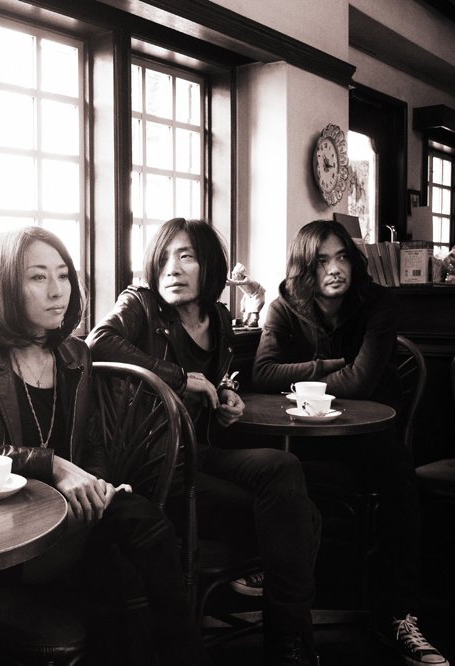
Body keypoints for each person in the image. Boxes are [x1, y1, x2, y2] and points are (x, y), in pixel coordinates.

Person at [0, 226, 210, 665]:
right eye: (38, 277)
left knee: (137, 534)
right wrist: (52, 465)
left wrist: (98, 484)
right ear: (5, 285)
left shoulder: (75, 353)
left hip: (73, 518)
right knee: (124, 557)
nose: (57, 291)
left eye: (63, 275)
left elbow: (92, 440)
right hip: (6, 529)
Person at [87, 217, 321, 666]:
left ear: (209, 265)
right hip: (153, 467)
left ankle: (287, 636)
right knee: (303, 516)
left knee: (284, 469)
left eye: (186, 256)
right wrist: (179, 378)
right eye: (164, 258)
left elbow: (215, 381)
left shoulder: (219, 317)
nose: (172, 268)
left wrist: (226, 397)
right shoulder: (140, 303)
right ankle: (290, 641)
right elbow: (98, 343)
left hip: (198, 452)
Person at [252, 219, 448, 666]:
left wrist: (300, 376)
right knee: (272, 470)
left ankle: (398, 615)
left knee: (400, 482)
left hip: (370, 433)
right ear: (305, 268)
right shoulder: (284, 305)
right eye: (322, 261)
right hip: (306, 434)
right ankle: (284, 613)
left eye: (342, 257)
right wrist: (326, 365)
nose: (335, 269)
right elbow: (261, 373)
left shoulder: (377, 302)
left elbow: (360, 383)